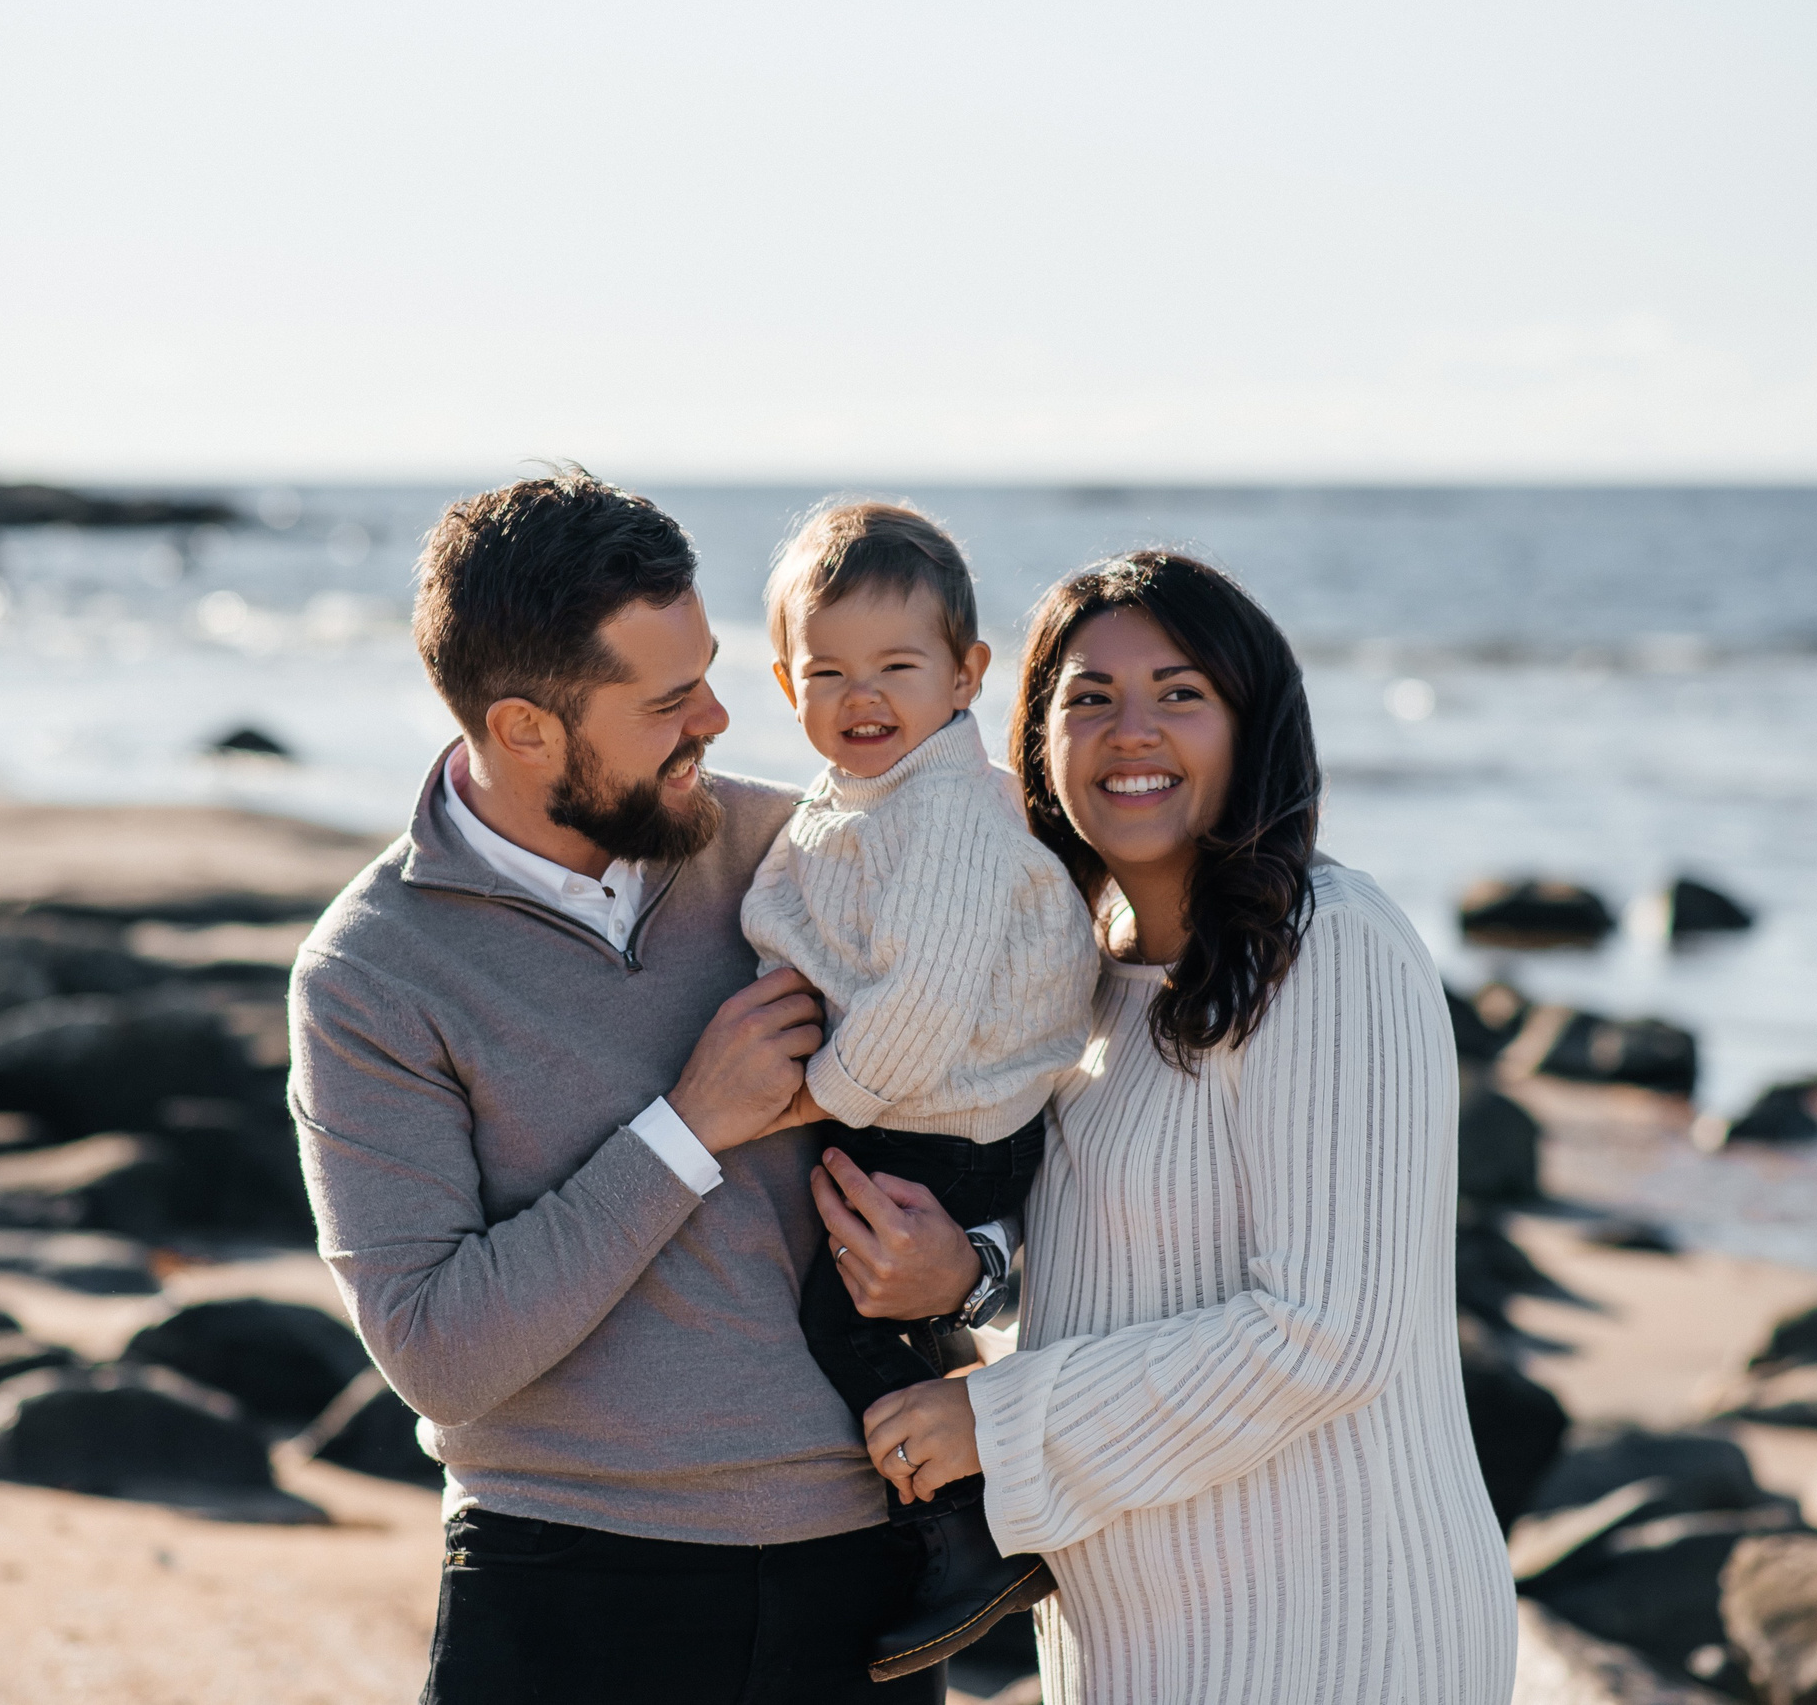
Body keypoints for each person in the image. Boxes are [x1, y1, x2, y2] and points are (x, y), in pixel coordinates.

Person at [815, 551, 1519, 1703]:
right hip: (1142, 1633)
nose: (1129, 731)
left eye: (1179, 693)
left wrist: (992, 1420)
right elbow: (1117, 1267)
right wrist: (971, 1271)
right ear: (1038, 741)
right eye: (1087, 698)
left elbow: (1324, 1327)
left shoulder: (1327, 949)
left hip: (1336, 1627)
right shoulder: (1081, 974)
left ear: (1254, 727)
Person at [287, 471, 943, 1705]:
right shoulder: (371, 972)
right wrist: (689, 1126)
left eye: (707, 669)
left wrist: (975, 1271)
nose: (715, 718)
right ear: (526, 726)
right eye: (666, 699)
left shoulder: (800, 851)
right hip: (562, 1592)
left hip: (861, 1578)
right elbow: (438, 1350)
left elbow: (1000, 1085)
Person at [741, 501, 1100, 1680]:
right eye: (827, 669)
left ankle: (968, 1528)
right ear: (785, 678)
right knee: (880, 1315)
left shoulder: (944, 812)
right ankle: (946, 1512)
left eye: (897, 666)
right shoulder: (868, 796)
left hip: (947, 1122)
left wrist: (814, 1094)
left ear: (966, 675)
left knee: (842, 1320)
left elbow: (922, 1001)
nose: (862, 695)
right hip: (929, 1107)